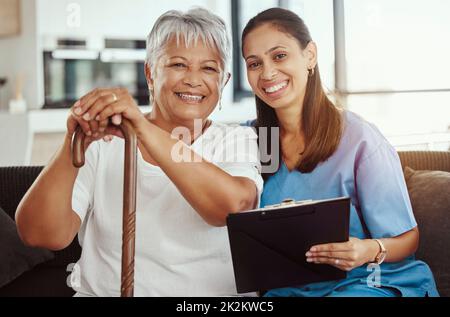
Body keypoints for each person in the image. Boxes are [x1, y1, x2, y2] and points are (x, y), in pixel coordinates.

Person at [16, 8, 263, 297]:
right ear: (150, 72)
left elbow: (230, 208)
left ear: (224, 80)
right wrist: (74, 142)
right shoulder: (104, 142)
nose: (193, 80)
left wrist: (142, 130)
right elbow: (41, 235)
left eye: (209, 68)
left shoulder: (237, 138)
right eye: (178, 65)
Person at [241, 7, 438, 297]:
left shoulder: (359, 138)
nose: (268, 72)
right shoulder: (250, 140)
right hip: (293, 290)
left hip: (369, 282)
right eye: (254, 63)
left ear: (310, 56)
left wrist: (367, 249)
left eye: (279, 56)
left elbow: (408, 239)